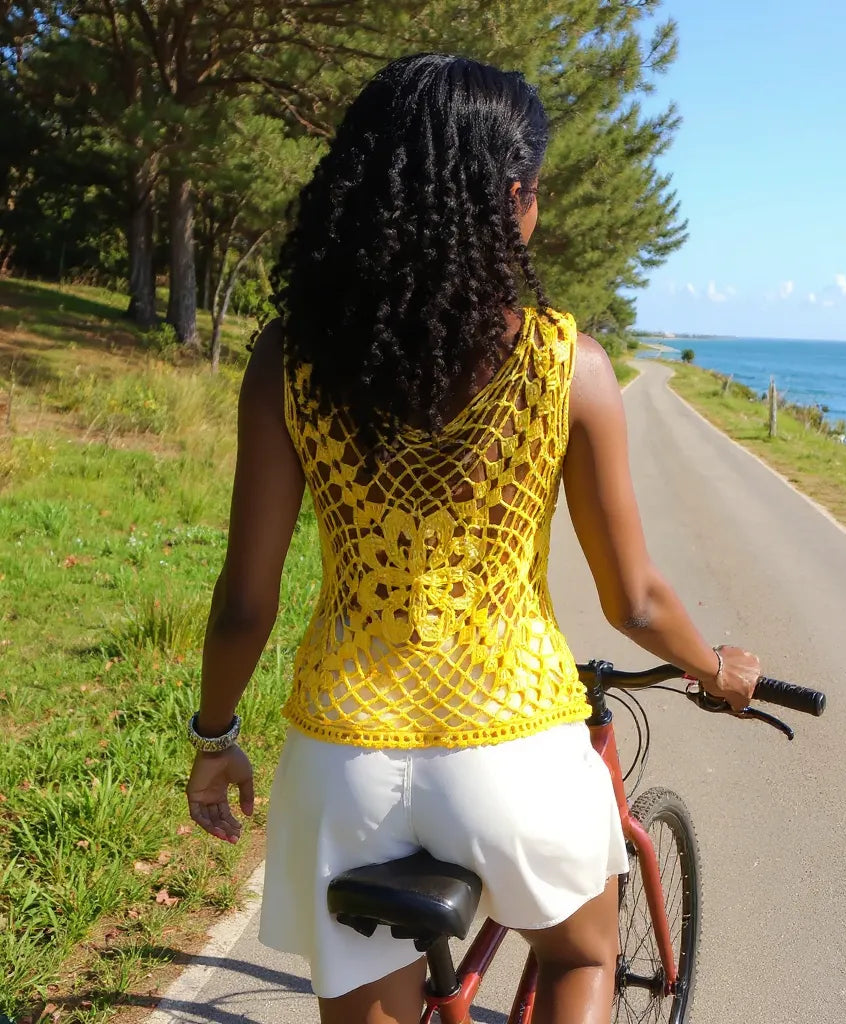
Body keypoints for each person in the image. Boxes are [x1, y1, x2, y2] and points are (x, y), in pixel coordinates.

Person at [185, 53, 760, 1024]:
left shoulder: (289, 361)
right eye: (536, 188)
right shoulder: (566, 365)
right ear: (512, 200)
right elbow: (634, 600)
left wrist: (215, 739)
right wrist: (714, 668)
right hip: (514, 745)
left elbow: (246, 601)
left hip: (344, 757)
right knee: (582, 956)